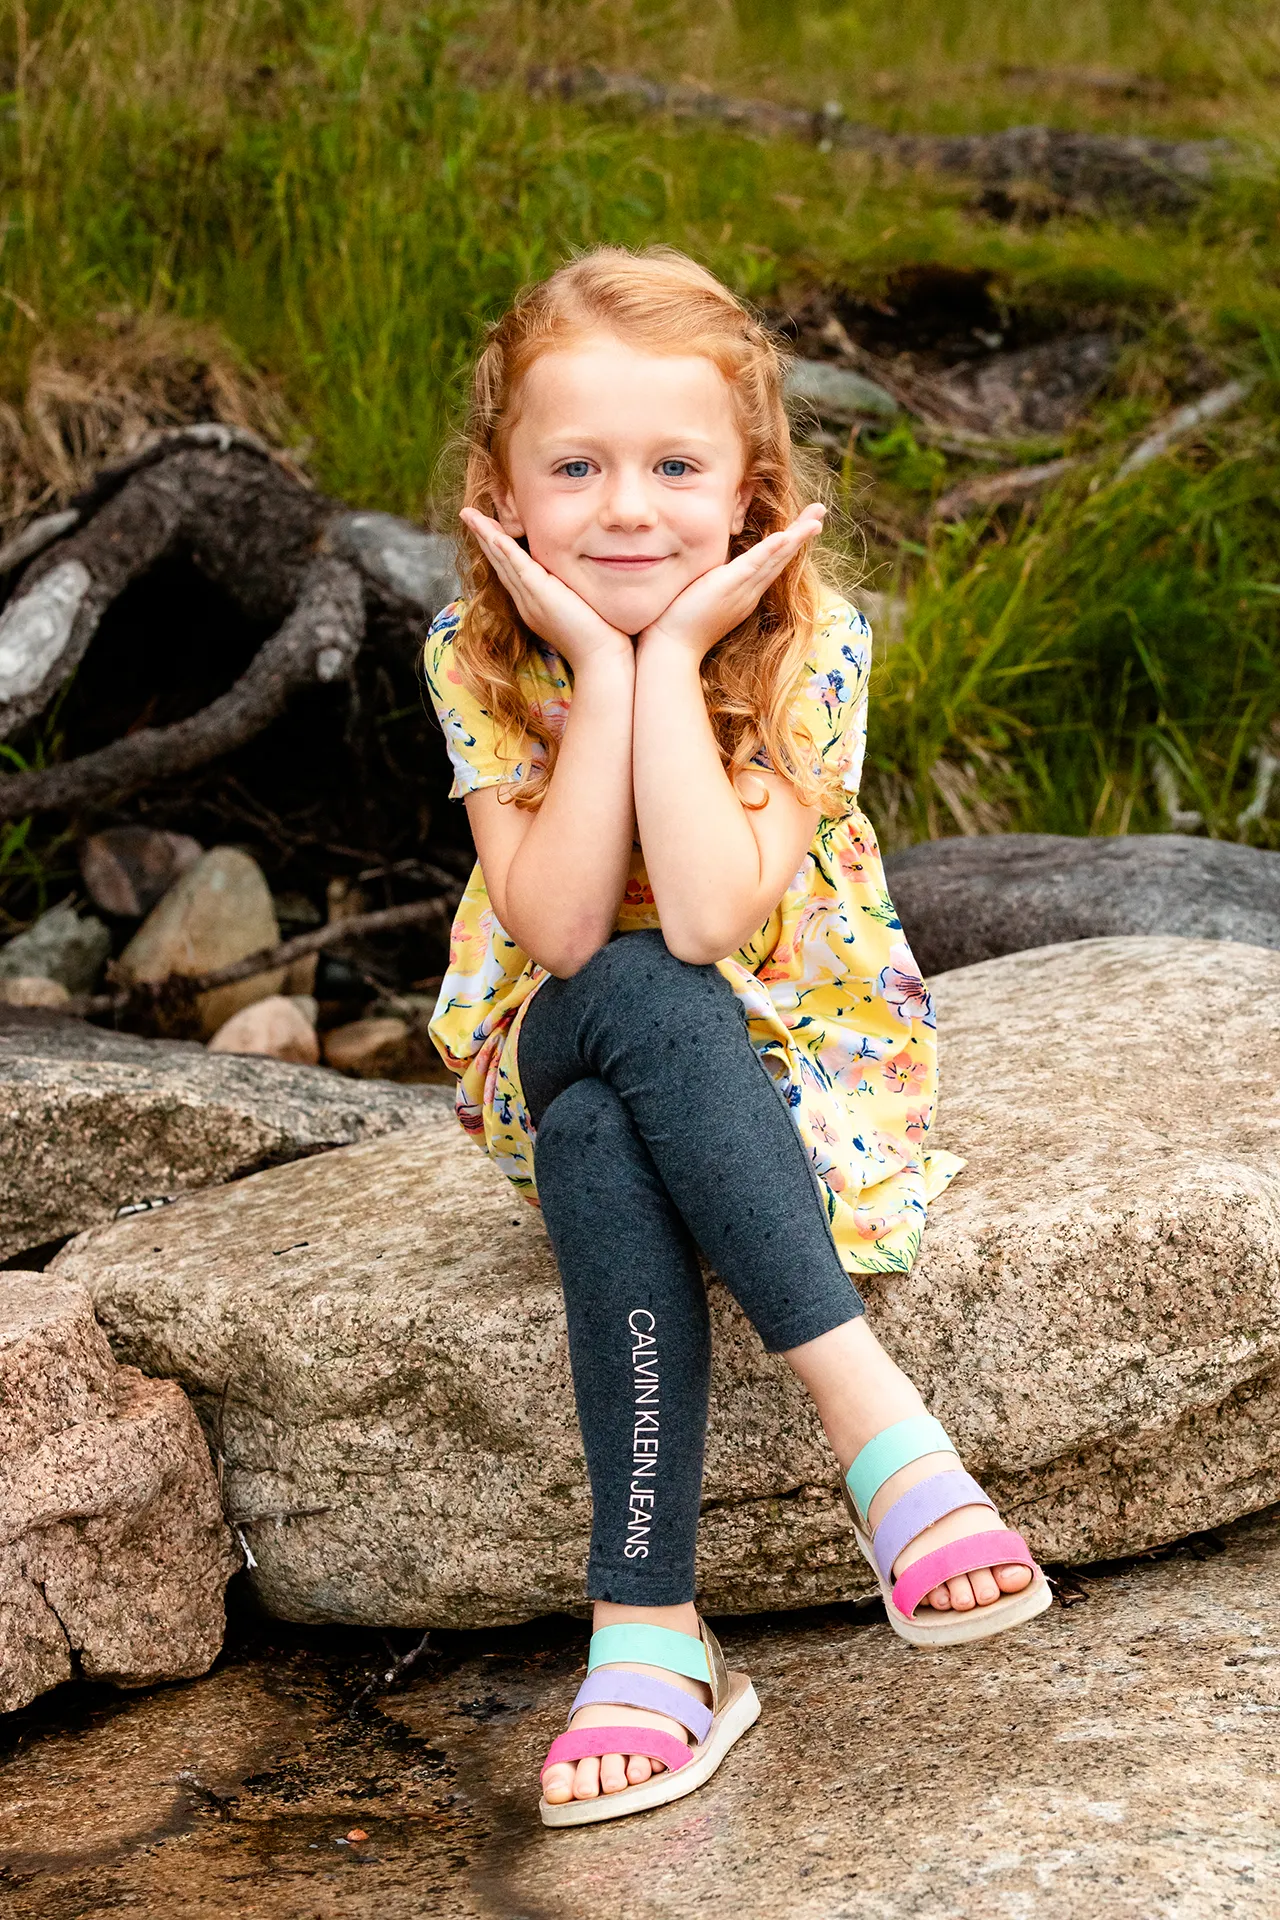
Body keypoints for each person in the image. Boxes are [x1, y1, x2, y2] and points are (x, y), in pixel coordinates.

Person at [424, 245, 1050, 1829]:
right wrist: (602, 669)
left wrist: (687, 652)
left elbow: (706, 913)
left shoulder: (805, 649)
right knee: (620, 1004)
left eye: (675, 467)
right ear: (501, 485)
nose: (626, 508)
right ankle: (880, 1435)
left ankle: (650, 1629)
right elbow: (571, 935)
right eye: (575, 467)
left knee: (606, 1127)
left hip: (786, 1078)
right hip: (554, 1028)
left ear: (751, 492)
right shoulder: (476, 656)